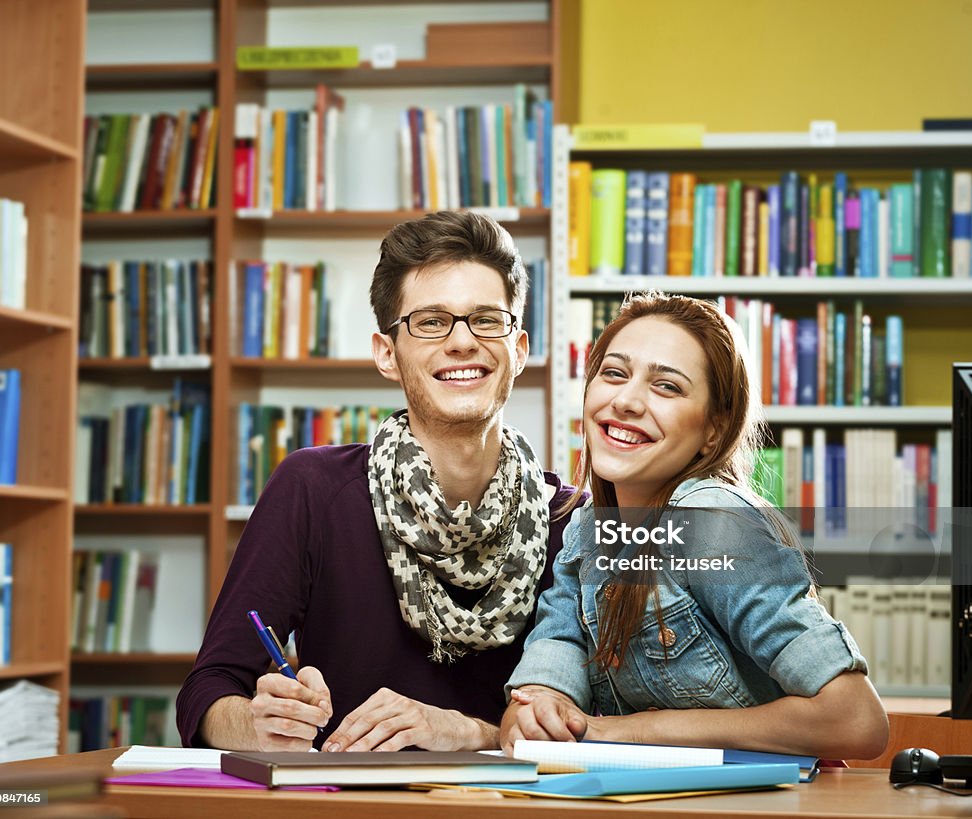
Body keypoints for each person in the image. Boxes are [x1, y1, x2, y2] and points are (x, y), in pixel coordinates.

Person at [176, 211, 578, 752]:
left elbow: (595, 721)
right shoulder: (312, 490)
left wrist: (470, 733)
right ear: (387, 354)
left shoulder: (574, 520)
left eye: (486, 319)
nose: (462, 342)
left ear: (520, 348)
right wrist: (256, 723)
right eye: (431, 322)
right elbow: (207, 690)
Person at [500, 291, 889, 761]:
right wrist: (537, 711)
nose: (625, 400)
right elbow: (537, 695)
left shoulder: (713, 523)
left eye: (667, 386)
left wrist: (634, 730)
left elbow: (855, 720)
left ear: (713, 431)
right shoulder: (585, 533)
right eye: (614, 373)